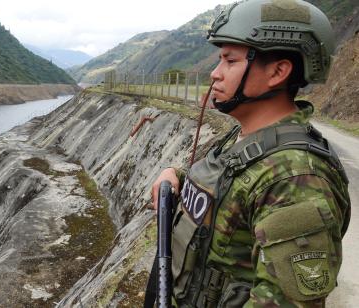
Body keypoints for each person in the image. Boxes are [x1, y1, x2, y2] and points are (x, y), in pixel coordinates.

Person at [150, 0, 351, 306]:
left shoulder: (295, 178)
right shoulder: (247, 138)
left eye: (230, 62)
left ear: (278, 72)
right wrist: (176, 176)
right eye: (219, 61)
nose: (215, 74)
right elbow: (228, 190)